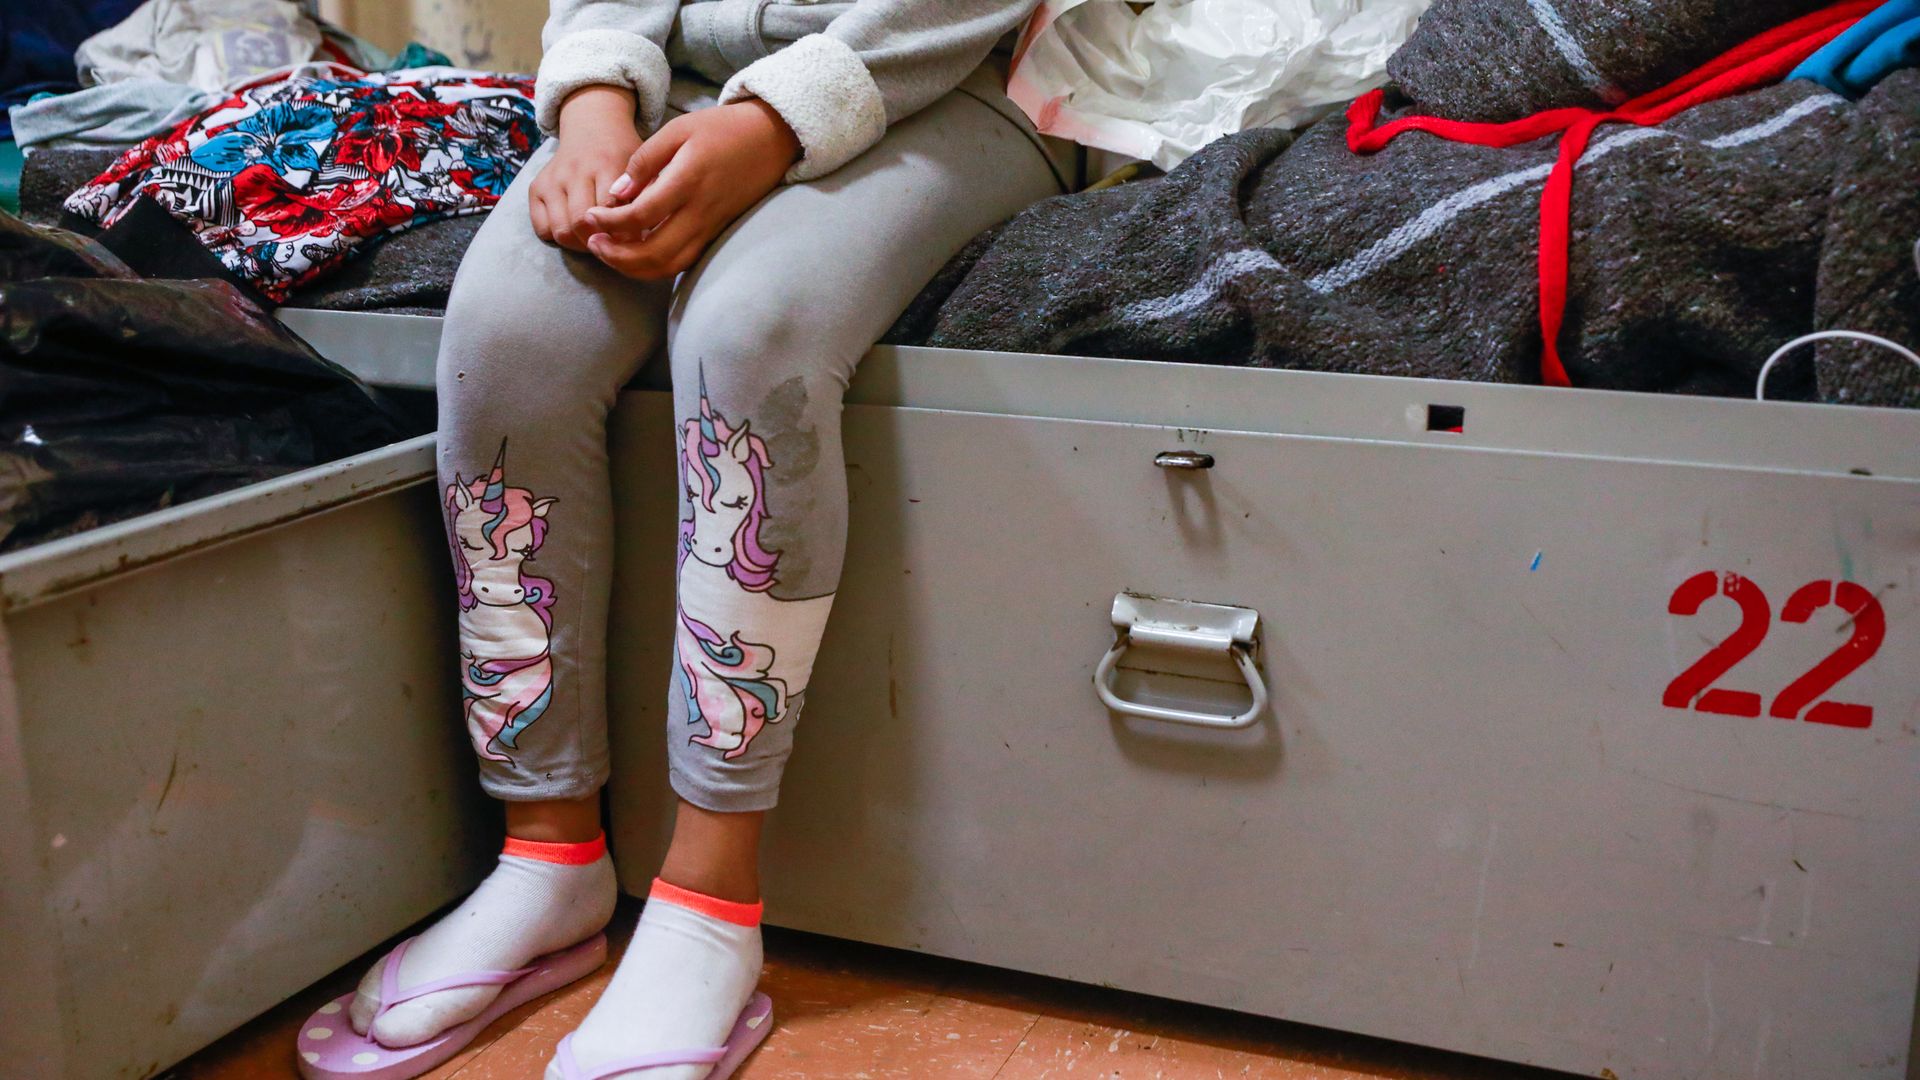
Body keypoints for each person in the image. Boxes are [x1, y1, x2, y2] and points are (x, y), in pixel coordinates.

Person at [296, 1, 1064, 1078]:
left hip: (950, 78)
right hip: (684, 85)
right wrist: (593, 107)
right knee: (509, 336)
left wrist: (777, 124)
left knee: (750, 331)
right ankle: (548, 852)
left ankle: (710, 899)